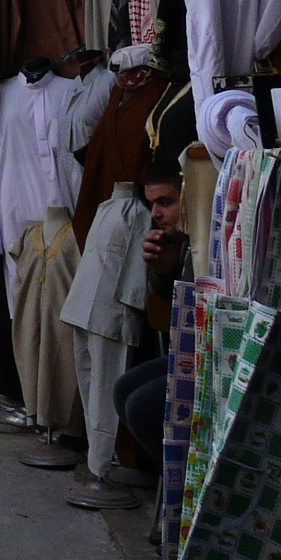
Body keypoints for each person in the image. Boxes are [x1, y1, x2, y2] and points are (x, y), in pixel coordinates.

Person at [113, 166, 188, 467]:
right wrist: (164, 271)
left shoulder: (202, 237)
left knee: (142, 406)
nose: (156, 213)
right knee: (124, 390)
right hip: (187, 349)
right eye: (152, 204)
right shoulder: (173, 242)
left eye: (166, 202)